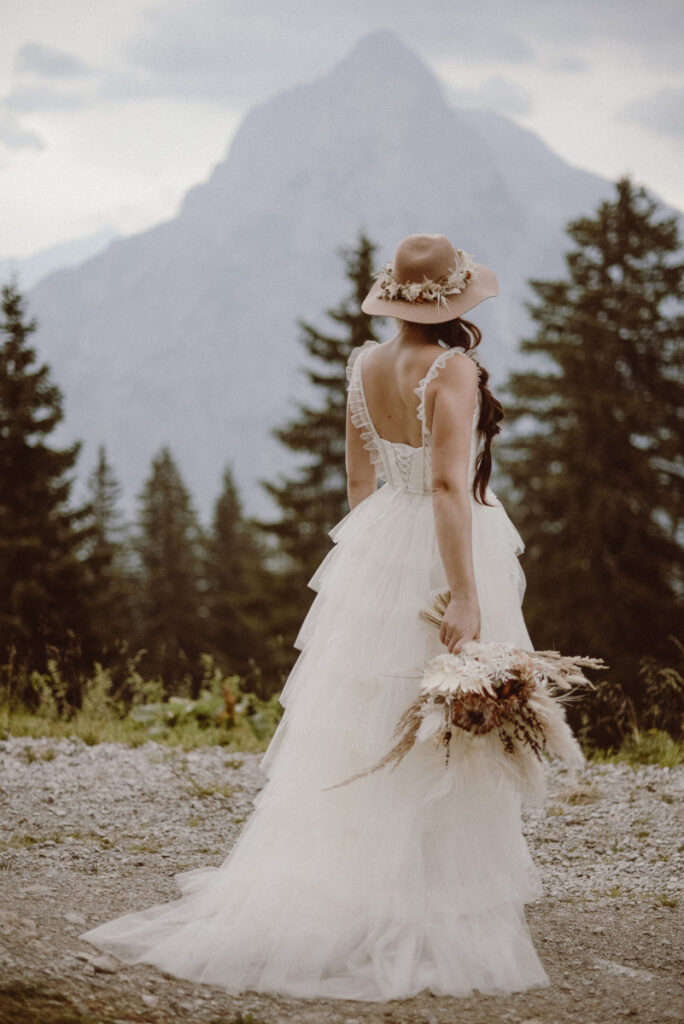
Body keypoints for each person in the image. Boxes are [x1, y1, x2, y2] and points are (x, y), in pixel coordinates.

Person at [81, 233, 551, 1000]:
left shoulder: (362, 365)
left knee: (370, 717)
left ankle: (357, 884)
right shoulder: (454, 368)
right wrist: (463, 594)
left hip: (379, 543)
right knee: (438, 722)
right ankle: (428, 898)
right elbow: (445, 488)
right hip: (447, 546)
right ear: (458, 302)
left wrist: (375, 566)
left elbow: (358, 478)